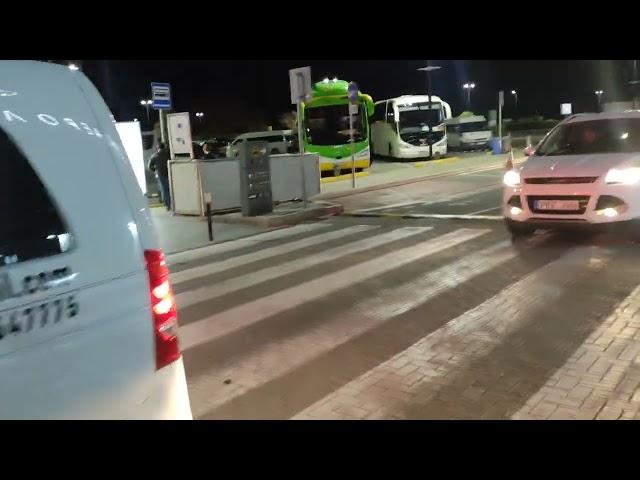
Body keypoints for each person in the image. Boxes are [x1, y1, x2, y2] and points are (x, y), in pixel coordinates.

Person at [148, 141, 172, 210]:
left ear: (158, 148)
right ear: (164, 147)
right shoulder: (168, 154)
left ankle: (167, 205)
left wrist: (155, 170)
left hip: (160, 174)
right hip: (169, 173)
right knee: (171, 189)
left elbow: (150, 166)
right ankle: (173, 204)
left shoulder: (154, 156)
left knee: (164, 189)